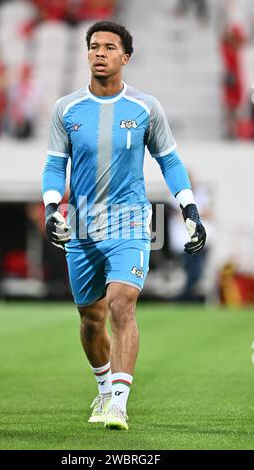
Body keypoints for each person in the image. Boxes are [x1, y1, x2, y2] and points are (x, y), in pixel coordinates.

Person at [41, 21, 206, 431]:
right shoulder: (66, 109)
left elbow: (169, 160)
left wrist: (189, 210)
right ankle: (102, 387)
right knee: (91, 318)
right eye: (93, 46)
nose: (99, 53)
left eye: (109, 47)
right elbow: (53, 164)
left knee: (121, 304)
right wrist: (51, 209)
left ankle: (118, 402)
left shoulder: (145, 107)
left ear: (125, 57)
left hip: (130, 222)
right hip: (81, 225)